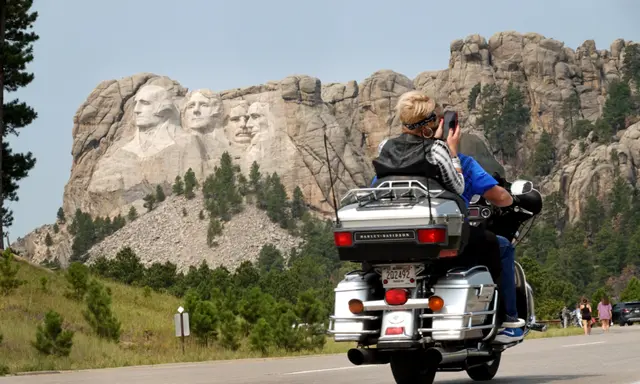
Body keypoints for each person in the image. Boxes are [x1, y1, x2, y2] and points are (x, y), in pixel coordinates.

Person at [370, 90, 521, 344]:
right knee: (502, 247)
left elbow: (377, 186)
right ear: (433, 124)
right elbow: (462, 187)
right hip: (438, 237)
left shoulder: (387, 150)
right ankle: (508, 319)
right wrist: (449, 151)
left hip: (393, 237)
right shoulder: (442, 154)